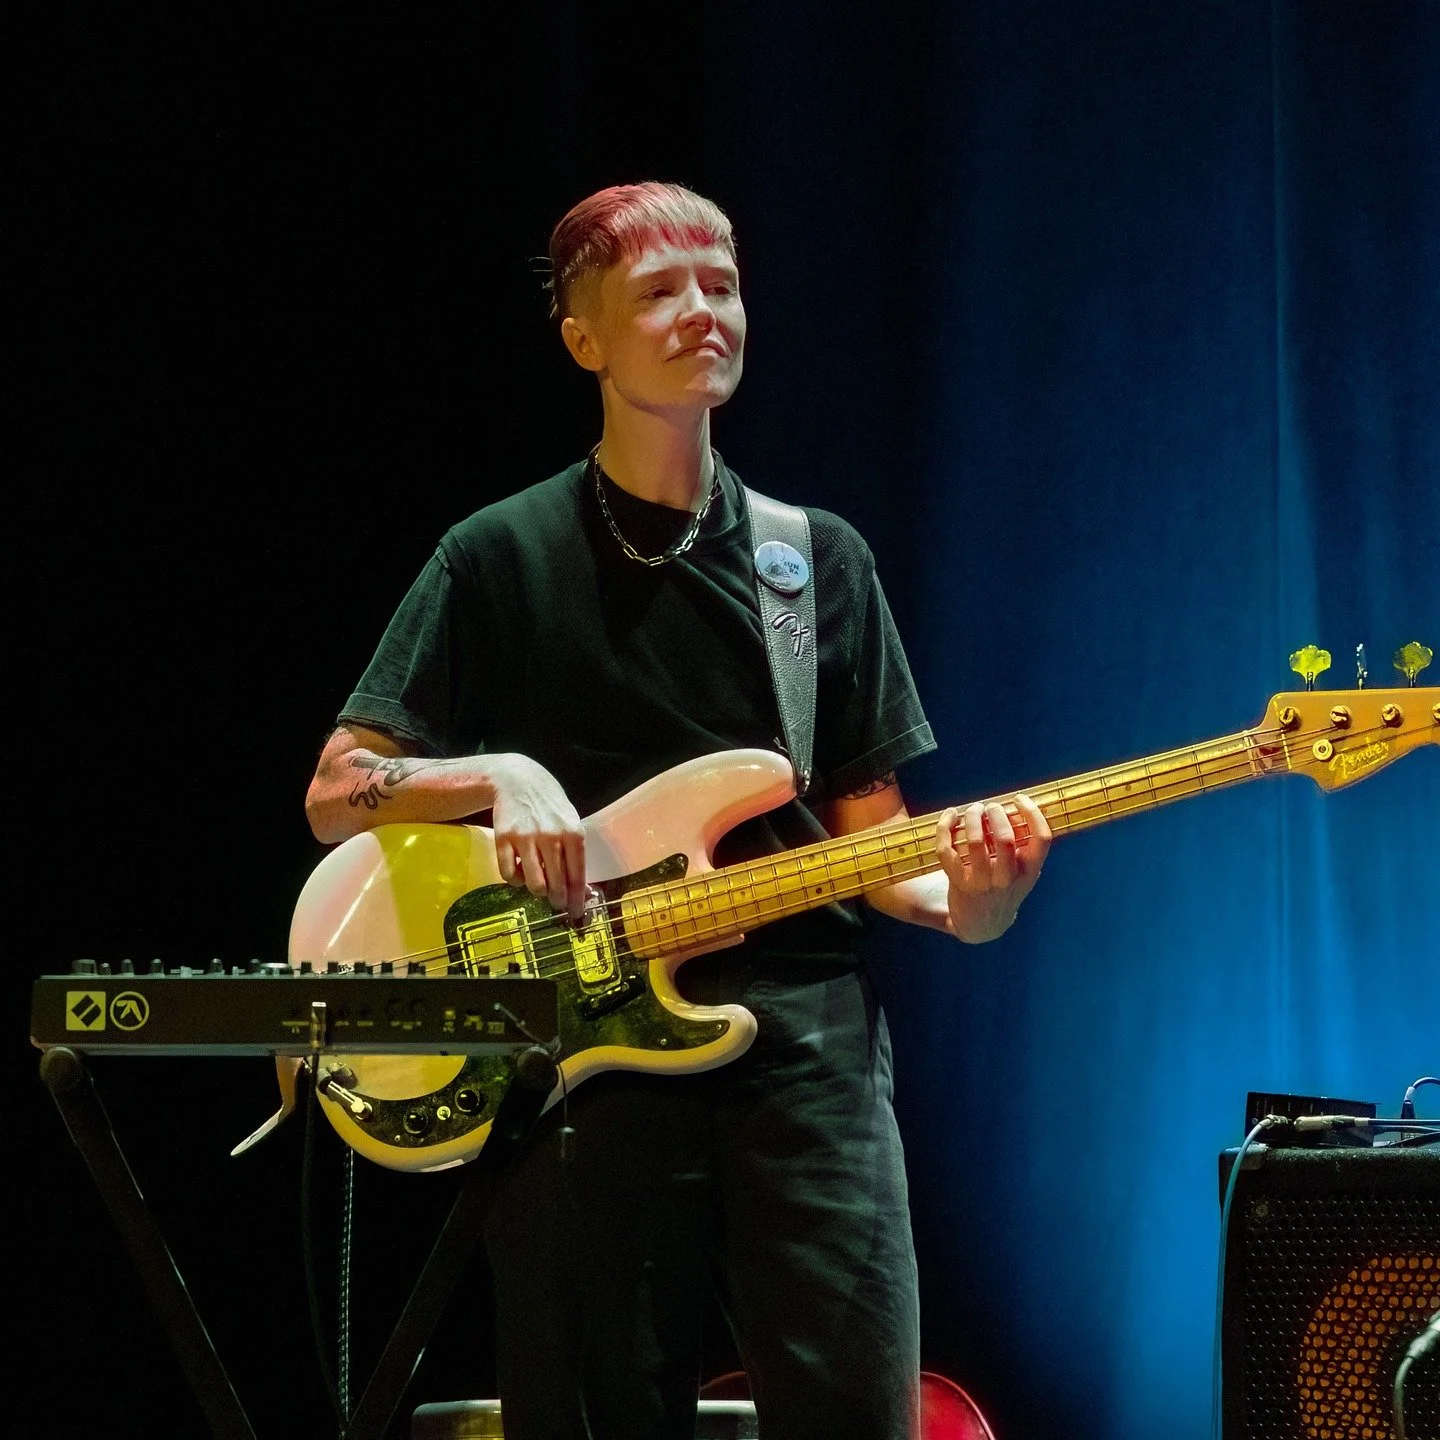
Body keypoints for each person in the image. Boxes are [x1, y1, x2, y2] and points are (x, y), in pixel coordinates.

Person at [304, 182, 1050, 1440]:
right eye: (659, 289)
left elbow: (879, 855)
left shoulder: (813, 560)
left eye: (722, 282)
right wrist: (498, 777)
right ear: (582, 338)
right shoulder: (496, 556)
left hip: (804, 1045)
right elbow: (337, 790)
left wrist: (975, 902)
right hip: (581, 1045)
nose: (703, 310)